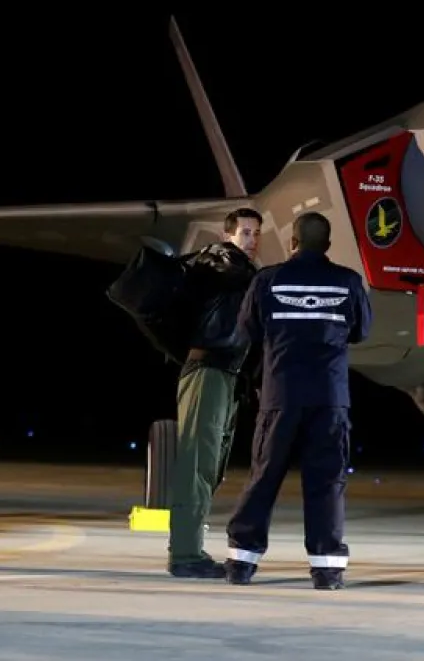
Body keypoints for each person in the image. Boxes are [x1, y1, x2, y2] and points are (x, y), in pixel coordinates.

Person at [223, 211, 372, 590]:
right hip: (329, 397)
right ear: (327, 244)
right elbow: (361, 331)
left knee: (264, 476)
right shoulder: (348, 281)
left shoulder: (267, 279)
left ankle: (242, 562)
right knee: (326, 481)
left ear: (293, 242)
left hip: (281, 395)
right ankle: (327, 570)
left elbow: (247, 330)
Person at [167, 207, 263, 579]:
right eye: (245, 233)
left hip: (225, 373)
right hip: (207, 369)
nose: (251, 241)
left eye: (256, 234)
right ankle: (185, 554)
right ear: (228, 236)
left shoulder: (240, 270)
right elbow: (228, 270)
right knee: (196, 463)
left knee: (209, 464)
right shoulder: (220, 259)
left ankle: (188, 548)